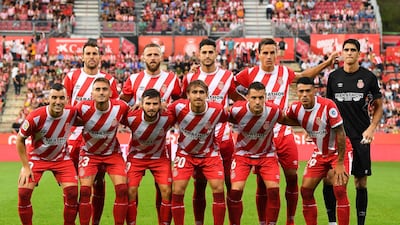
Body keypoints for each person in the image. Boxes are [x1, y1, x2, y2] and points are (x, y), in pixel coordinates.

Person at [234, 37, 337, 225]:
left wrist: (327, 63)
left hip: (284, 133)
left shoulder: (284, 72)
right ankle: (263, 221)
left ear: (277, 54)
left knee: (291, 176)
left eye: (272, 52)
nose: (269, 56)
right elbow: (230, 88)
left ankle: (290, 219)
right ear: (258, 54)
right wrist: (246, 110)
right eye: (265, 53)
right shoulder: (248, 74)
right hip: (261, 136)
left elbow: (305, 75)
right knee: (263, 184)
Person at [181, 38, 243, 225]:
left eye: (210, 52)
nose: (207, 55)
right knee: (199, 186)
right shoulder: (190, 78)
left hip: (223, 139)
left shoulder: (226, 76)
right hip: (199, 142)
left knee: (229, 185)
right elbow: (183, 105)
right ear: (198, 54)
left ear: (216, 54)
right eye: (204, 52)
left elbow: (236, 99)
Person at [324, 38, 383, 225]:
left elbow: (379, 105)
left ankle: (360, 223)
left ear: (359, 54)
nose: (349, 53)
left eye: (353, 50)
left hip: (360, 137)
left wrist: (372, 128)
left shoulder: (369, 78)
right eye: (346, 49)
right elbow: (327, 107)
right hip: (337, 138)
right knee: (331, 179)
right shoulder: (333, 77)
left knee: (360, 182)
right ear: (342, 53)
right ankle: (333, 222)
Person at [120, 42, 181, 224]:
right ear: (143, 58)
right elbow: (121, 105)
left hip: (160, 146)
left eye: (156, 54)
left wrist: (167, 107)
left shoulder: (172, 79)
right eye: (149, 55)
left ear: (161, 57)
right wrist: (134, 108)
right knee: (130, 190)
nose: (153, 58)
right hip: (137, 148)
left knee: (165, 190)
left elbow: (182, 103)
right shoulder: (133, 79)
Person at [63, 39, 119, 225]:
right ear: (82, 56)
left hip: (99, 139)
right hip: (74, 136)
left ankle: (95, 221)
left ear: (100, 57)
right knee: (71, 185)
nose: (91, 57)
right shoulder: (71, 77)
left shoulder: (109, 80)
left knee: (98, 181)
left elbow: (115, 108)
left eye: (95, 53)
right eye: (88, 53)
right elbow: (65, 107)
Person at [227, 82, 298, 225]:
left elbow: (286, 120)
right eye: (254, 98)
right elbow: (218, 116)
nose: (258, 102)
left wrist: (309, 125)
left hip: (267, 155)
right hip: (243, 155)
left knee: (273, 190)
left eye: (261, 97)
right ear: (247, 97)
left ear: (265, 97)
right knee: (235, 191)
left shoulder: (274, 110)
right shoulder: (236, 110)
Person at [286, 77, 351, 225]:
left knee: (339, 189)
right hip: (320, 152)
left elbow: (341, 133)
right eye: (301, 91)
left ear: (314, 91)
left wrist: (340, 163)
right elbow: (285, 119)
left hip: (338, 152)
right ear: (297, 92)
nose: (304, 94)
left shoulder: (328, 106)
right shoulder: (295, 108)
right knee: (306, 190)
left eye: (307, 91)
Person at [16, 83, 79, 225]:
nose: (58, 101)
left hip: (62, 158)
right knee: (23, 193)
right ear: (48, 99)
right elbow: (20, 140)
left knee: (73, 193)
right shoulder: (35, 117)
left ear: (67, 99)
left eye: (61, 98)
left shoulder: (72, 112)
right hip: (37, 158)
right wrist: (26, 167)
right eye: (54, 98)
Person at [168, 80, 227, 225]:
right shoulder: (177, 107)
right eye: (194, 92)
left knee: (219, 188)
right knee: (178, 189)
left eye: (201, 92)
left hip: (209, 154)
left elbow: (235, 117)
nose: (198, 96)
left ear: (207, 95)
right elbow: (162, 114)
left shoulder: (217, 109)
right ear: (188, 94)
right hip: (185, 154)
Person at [76, 78, 129, 225]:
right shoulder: (82, 107)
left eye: (104, 89)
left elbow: (135, 118)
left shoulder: (121, 107)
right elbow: (65, 119)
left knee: (122, 189)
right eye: (97, 89)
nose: (101, 92)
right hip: (89, 154)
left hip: (112, 154)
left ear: (111, 92)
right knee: (85, 191)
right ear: (91, 93)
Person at [123, 89, 175, 225]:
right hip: (136, 157)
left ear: (160, 104)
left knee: (167, 191)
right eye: (148, 103)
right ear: (141, 104)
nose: (151, 107)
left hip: (159, 158)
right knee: (130, 191)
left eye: (155, 104)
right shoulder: (130, 116)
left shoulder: (168, 117)